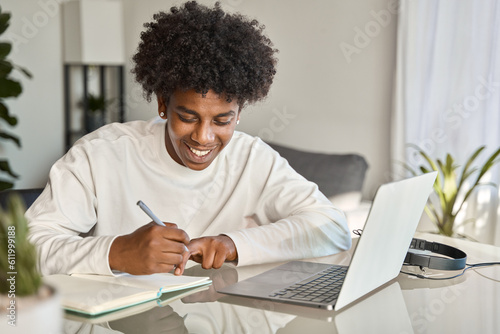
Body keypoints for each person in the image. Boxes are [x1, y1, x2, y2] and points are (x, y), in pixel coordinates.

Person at [27, 1, 351, 276]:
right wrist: (117, 252)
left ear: (239, 114)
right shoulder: (102, 154)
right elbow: (21, 248)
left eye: (222, 120)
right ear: (163, 104)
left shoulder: (252, 158)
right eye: (188, 117)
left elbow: (332, 228)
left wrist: (233, 243)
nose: (203, 137)